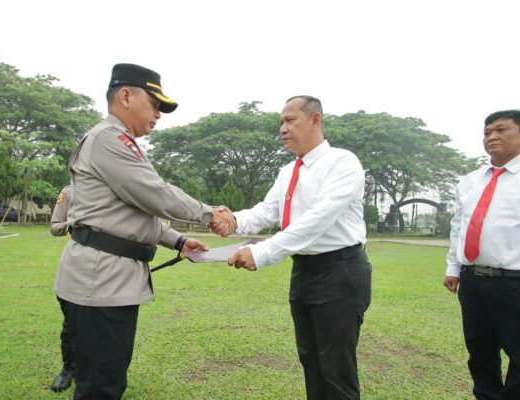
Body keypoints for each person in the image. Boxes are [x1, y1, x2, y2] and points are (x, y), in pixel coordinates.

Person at [54, 63, 223, 400]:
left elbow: (134, 212)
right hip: (101, 281)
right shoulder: (109, 139)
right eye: (155, 103)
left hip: (109, 279)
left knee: (107, 376)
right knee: (101, 386)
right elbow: (154, 193)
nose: (158, 114)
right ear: (126, 96)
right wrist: (209, 214)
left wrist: (177, 239)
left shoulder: (119, 142)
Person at [212, 95, 372, 400]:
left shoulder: (343, 163)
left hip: (340, 272)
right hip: (305, 272)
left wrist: (262, 252)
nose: (282, 129)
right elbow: (267, 210)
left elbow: (318, 219)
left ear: (315, 120)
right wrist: (234, 220)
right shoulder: (288, 171)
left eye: (290, 120)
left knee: (337, 370)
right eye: (280, 123)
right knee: (311, 361)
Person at [442, 110, 520, 399]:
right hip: (474, 281)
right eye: (487, 132)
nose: (492, 137)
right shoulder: (471, 180)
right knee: (480, 355)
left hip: (519, 282)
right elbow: (460, 226)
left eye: (501, 130)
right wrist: (453, 267)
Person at [49, 185, 75, 392]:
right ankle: (69, 368)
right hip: (76, 264)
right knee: (71, 324)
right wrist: (74, 225)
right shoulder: (70, 192)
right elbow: (55, 226)